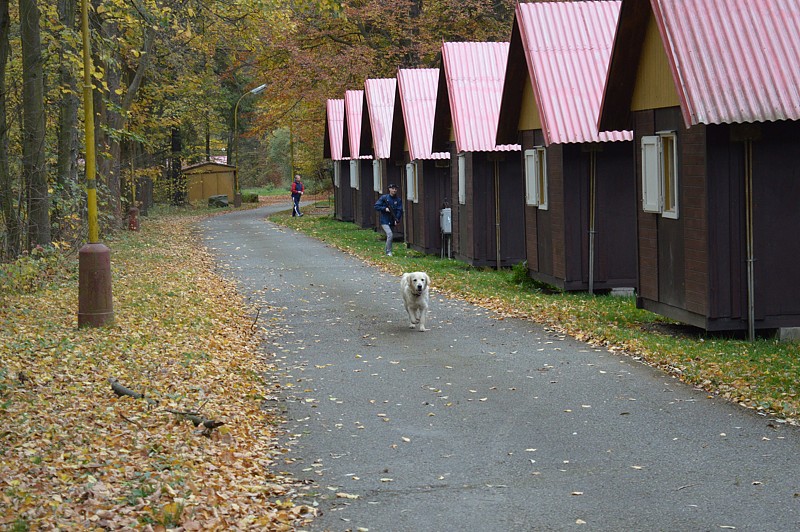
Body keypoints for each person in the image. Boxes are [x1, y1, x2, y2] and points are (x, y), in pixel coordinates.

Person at [374, 183, 403, 256]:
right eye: (393, 188)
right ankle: (388, 252)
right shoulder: (384, 198)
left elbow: (399, 210)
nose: (394, 190)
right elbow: (376, 206)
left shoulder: (398, 200)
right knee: (390, 234)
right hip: (385, 220)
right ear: (389, 189)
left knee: (390, 236)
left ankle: (388, 250)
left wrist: (397, 219)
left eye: (395, 189)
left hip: (392, 220)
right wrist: (384, 209)